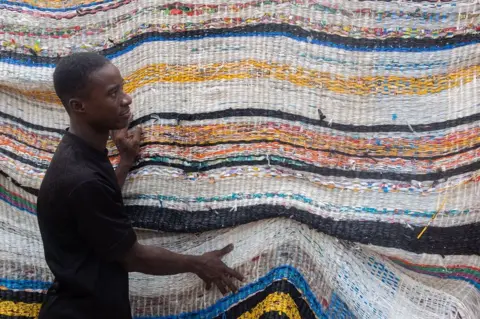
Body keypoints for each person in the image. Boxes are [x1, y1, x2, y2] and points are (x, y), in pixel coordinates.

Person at [36, 52, 244, 319]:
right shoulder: (80, 177)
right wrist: (198, 263)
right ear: (79, 106)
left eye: (122, 88)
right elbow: (132, 257)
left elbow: (99, 206)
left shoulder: (80, 154)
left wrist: (124, 162)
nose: (126, 98)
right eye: (113, 93)